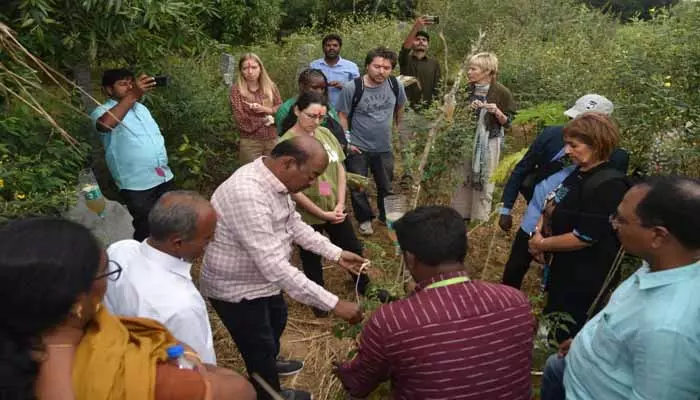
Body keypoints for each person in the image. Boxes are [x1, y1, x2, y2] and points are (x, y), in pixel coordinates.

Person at [0, 217, 255, 400]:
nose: (109, 281)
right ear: (76, 303)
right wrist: (194, 360)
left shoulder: (20, 344)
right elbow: (242, 391)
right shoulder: (146, 378)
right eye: (105, 273)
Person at [201, 136, 366, 400]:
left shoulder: (274, 182)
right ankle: (269, 392)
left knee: (276, 321)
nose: (312, 183)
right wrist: (333, 303)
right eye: (312, 175)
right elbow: (275, 267)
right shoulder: (248, 194)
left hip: (263, 281)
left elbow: (294, 224)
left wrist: (336, 254)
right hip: (237, 289)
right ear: (288, 163)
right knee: (258, 345)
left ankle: (270, 363)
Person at [334, 206, 534, 399]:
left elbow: (358, 385)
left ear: (410, 258)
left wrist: (341, 369)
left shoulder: (392, 321)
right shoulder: (516, 301)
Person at [540, 176, 700, 400]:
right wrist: (586, 344)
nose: (613, 223)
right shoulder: (662, 266)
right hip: (573, 372)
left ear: (657, 236)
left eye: (621, 220)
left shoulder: (669, 329)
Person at [499, 94, 629, 289]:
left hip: (568, 231)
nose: (569, 148)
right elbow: (522, 169)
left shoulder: (616, 159)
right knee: (516, 266)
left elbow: (594, 217)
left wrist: (547, 244)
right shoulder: (550, 135)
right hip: (536, 217)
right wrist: (506, 208)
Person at [528, 112, 629, 343]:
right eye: (566, 144)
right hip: (562, 269)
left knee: (569, 330)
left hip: (585, 277)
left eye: (574, 145)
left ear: (596, 144)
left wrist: (542, 243)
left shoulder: (609, 185)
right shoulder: (578, 174)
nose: (567, 151)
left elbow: (585, 236)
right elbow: (552, 203)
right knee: (553, 317)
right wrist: (539, 231)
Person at [105, 191, 218, 364]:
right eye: (207, 238)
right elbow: (195, 368)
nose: (211, 242)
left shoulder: (119, 249)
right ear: (177, 243)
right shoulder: (183, 306)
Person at [91, 68, 175, 241]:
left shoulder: (142, 108)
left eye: (131, 83)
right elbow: (105, 125)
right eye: (123, 84)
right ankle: (141, 262)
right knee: (146, 227)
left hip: (162, 175)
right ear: (108, 89)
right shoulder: (102, 112)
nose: (129, 87)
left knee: (167, 221)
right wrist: (134, 94)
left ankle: (166, 258)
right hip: (137, 183)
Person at [336, 46, 407, 235]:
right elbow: (342, 115)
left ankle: (387, 217)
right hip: (358, 147)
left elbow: (400, 107)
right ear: (367, 66)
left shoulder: (395, 85)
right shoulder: (353, 87)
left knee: (386, 185)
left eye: (386, 67)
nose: (381, 71)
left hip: (384, 147)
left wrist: (398, 132)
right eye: (377, 66)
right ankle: (365, 219)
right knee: (358, 187)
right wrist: (348, 142)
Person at [451, 52, 517, 224]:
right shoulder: (467, 89)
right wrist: (467, 110)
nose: (469, 72)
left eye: (473, 68)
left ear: (487, 71)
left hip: (489, 142)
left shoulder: (502, 92)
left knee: (485, 177)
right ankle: (460, 215)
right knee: (462, 176)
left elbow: (509, 122)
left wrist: (496, 111)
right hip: (466, 140)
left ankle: (479, 218)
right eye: (469, 68)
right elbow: (453, 117)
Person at [230, 53, 282, 164]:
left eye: (254, 67)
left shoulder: (271, 86)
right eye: (245, 68)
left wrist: (266, 109)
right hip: (250, 142)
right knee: (250, 175)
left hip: (272, 139)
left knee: (273, 174)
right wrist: (265, 120)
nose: (250, 72)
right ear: (241, 71)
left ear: (260, 68)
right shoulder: (237, 90)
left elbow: (280, 108)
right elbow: (241, 120)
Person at [274, 68, 345, 149]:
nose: (319, 92)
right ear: (301, 86)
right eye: (314, 88)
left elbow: (337, 131)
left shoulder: (327, 107)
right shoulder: (285, 109)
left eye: (322, 88)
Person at [399, 16, 441, 110]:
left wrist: (436, 109)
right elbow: (405, 49)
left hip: (426, 111)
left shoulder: (434, 63)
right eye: (417, 39)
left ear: (428, 45)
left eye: (424, 40)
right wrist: (416, 27)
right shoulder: (405, 60)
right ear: (412, 42)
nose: (421, 41)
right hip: (405, 110)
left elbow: (438, 88)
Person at [310, 34, 360, 107]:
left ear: (340, 48)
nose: (331, 48)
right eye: (328, 45)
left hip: (343, 110)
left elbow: (358, 89)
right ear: (323, 48)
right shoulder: (314, 65)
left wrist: (343, 86)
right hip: (318, 107)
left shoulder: (351, 66)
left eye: (335, 45)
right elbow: (308, 87)